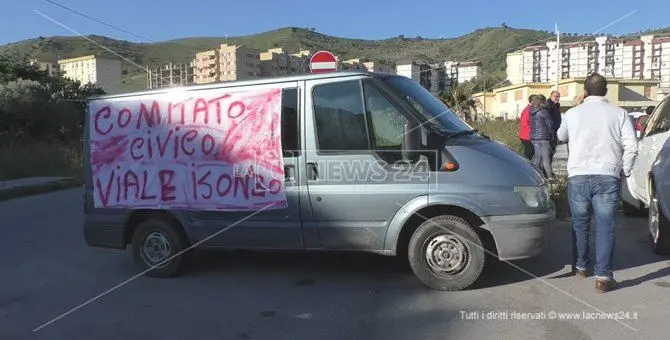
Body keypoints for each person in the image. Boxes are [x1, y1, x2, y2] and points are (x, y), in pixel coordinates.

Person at [557, 73, 638, 293]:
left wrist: (576, 107)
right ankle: (603, 277)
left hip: (578, 174)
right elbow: (632, 146)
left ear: (584, 91)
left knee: (580, 223)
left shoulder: (572, 113)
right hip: (607, 175)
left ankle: (581, 266)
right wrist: (625, 170)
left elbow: (561, 136)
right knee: (605, 226)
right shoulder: (619, 113)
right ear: (606, 91)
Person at [530, 94, 555, 180]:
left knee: (537, 157)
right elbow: (549, 124)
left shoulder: (532, 111)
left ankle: (532, 176)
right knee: (545, 157)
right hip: (543, 137)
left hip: (534, 137)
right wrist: (552, 135)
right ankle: (550, 177)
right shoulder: (544, 111)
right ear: (543, 101)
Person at [518, 94, 536, 160]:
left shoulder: (527, 109)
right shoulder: (530, 109)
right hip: (528, 136)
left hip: (525, 135)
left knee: (528, 155)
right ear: (532, 101)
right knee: (529, 156)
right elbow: (525, 122)